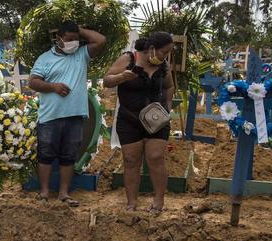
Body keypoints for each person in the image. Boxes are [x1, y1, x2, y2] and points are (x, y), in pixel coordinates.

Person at [28, 21, 105, 207]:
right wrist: (53, 86)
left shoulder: (81, 55)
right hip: (50, 116)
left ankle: (64, 193)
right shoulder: (44, 58)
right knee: (45, 155)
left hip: (74, 116)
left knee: (69, 157)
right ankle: (44, 192)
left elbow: (101, 40)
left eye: (77, 40)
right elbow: (33, 82)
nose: (74, 43)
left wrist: (79, 30)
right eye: (70, 39)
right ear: (59, 38)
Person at [103, 32, 174, 212]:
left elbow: (169, 86)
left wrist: (167, 107)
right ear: (151, 48)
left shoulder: (164, 66)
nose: (165, 57)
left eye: (168, 53)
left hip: (156, 120)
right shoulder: (128, 59)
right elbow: (107, 81)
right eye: (163, 52)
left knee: (156, 157)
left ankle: (158, 201)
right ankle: (131, 203)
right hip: (129, 119)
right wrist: (122, 77)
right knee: (131, 160)